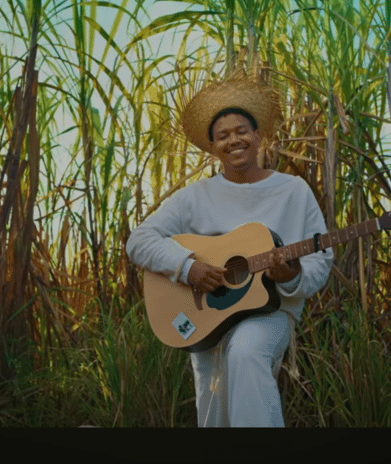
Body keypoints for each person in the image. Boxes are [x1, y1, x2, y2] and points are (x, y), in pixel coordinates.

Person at [125, 74, 333, 427]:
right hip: (206, 314)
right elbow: (138, 241)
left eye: (241, 131)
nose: (233, 140)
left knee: (247, 351)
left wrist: (293, 276)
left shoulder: (293, 191)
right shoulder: (195, 196)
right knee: (212, 406)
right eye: (222, 136)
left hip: (271, 311)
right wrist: (187, 267)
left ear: (258, 136)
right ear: (212, 147)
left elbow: (320, 260)